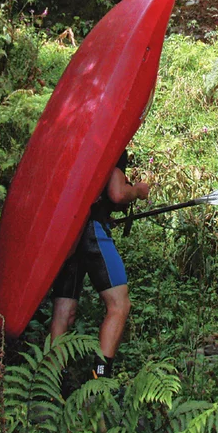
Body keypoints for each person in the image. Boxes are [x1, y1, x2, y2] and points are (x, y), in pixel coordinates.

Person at [49, 150, 149, 379]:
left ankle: (52, 382)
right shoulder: (113, 144)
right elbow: (116, 193)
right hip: (91, 231)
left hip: (67, 232)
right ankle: (101, 378)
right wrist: (138, 191)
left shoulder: (78, 143)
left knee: (64, 310)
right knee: (119, 305)